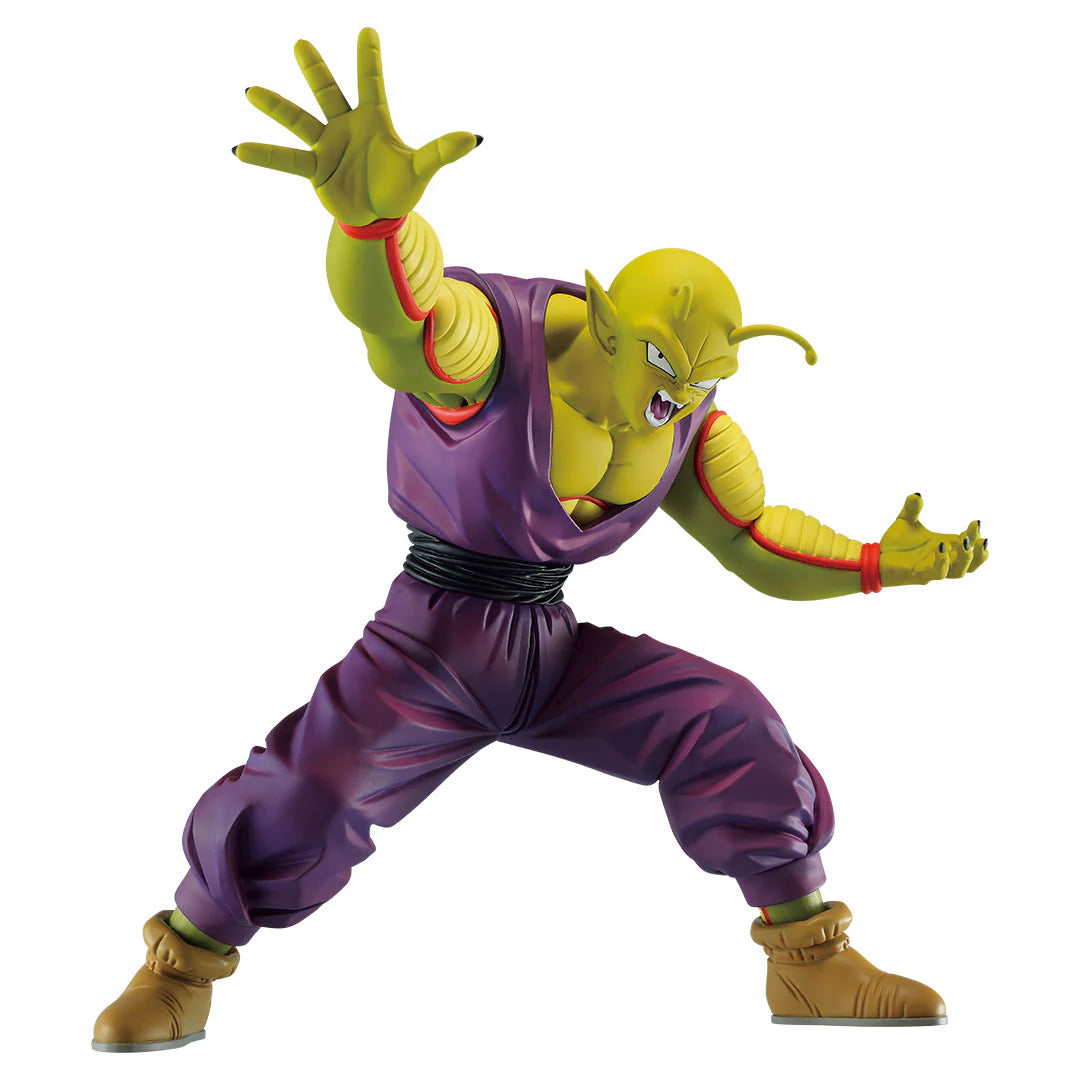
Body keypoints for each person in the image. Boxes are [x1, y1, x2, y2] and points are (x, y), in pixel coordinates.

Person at [92, 28, 986, 1052]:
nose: (677, 403)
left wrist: (878, 566)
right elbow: (402, 325)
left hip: (550, 648)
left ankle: (809, 962)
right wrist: (372, 224)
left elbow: (754, 542)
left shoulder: (688, 420)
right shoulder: (500, 342)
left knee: (730, 720)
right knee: (313, 791)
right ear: (605, 319)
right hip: (431, 639)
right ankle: (182, 963)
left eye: (704, 381)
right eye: (667, 370)